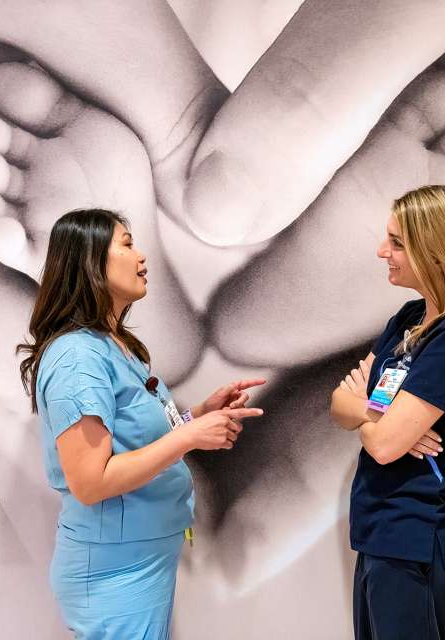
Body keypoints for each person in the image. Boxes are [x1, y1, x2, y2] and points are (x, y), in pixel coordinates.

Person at [16, 208, 264, 639]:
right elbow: (91, 481)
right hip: (116, 570)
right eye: (128, 244)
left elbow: (137, 440)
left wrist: (199, 415)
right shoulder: (78, 357)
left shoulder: (119, 348)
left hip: (142, 560)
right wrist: (189, 437)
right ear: (91, 261)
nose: (141, 256)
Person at [329, 185, 445, 640]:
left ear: (438, 252)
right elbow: (339, 403)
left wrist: (369, 416)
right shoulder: (409, 319)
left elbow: (386, 446)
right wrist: (374, 414)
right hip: (382, 535)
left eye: (397, 243)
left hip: (418, 541)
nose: (381, 252)